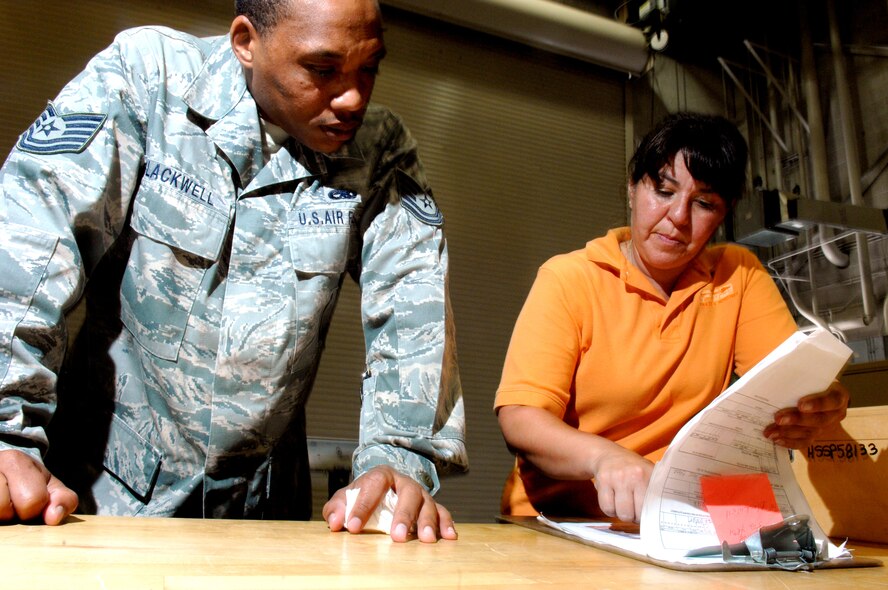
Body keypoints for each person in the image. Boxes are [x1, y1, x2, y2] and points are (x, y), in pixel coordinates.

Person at [0, 0, 467, 543]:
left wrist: (400, 462)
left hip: (263, 520)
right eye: (322, 70)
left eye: (370, 68)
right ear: (247, 41)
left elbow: (415, 312)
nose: (353, 98)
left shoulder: (378, 151)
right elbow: (28, 243)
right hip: (100, 505)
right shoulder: (149, 81)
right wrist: (5, 432)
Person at [494, 112, 849, 524]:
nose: (678, 217)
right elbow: (520, 417)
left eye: (703, 203)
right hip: (559, 520)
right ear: (632, 188)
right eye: (663, 190)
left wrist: (818, 404)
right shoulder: (570, 279)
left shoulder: (739, 274)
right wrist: (604, 459)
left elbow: (786, 391)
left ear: (724, 214)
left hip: (683, 518)